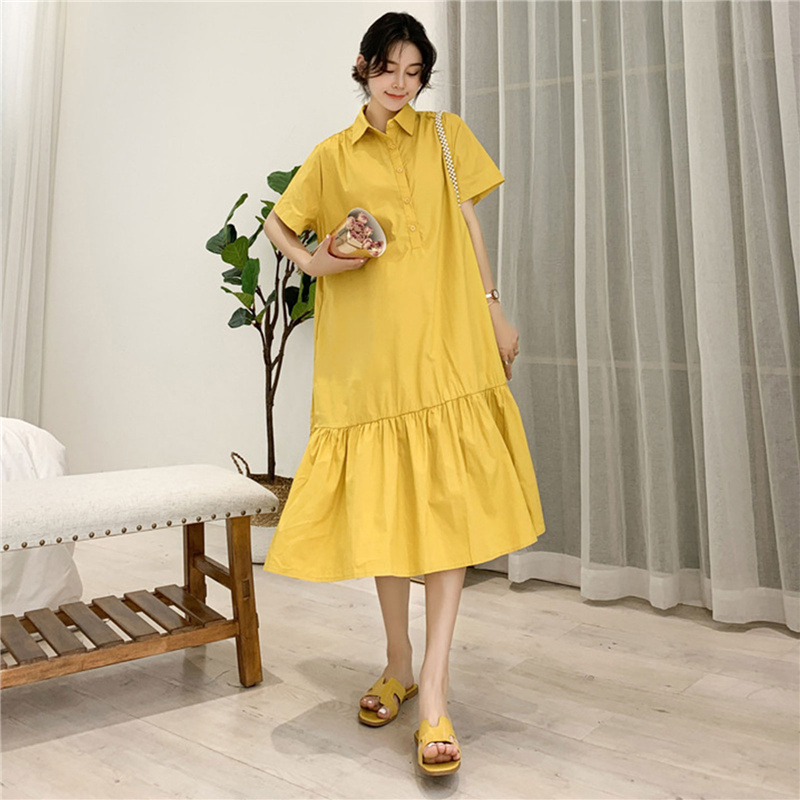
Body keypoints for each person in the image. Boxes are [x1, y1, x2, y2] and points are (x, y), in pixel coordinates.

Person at [262, 11, 545, 777]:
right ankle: (397, 663)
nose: (400, 83)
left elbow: (469, 223)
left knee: (449, 518)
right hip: (370, 361)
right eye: (388, 68)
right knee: (388, 518)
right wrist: (316, 263)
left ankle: (436, 693)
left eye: (414, 71)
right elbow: (281, 225)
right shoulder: (332, 156)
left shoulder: (447, 136)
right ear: (363, 66)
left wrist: (494, 308)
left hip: (447, 347)